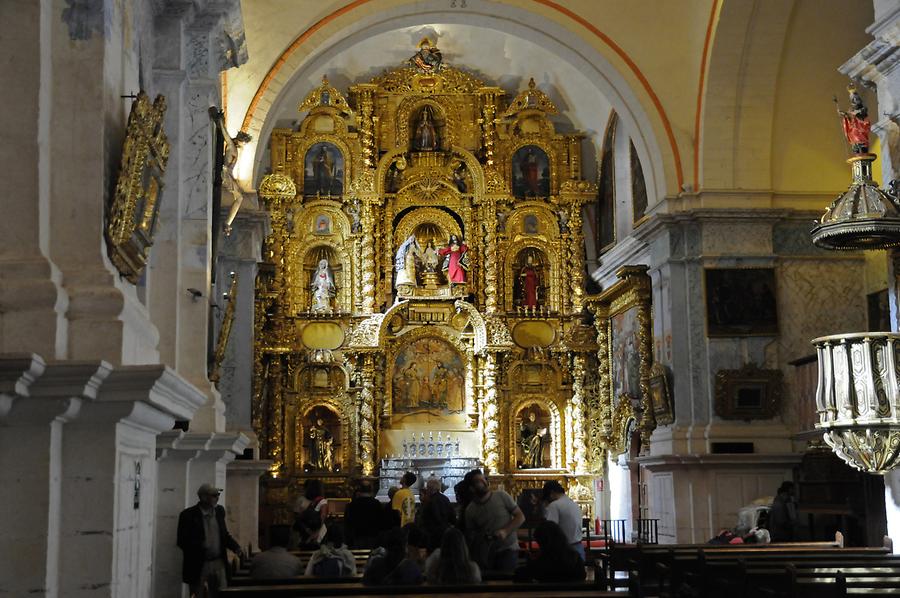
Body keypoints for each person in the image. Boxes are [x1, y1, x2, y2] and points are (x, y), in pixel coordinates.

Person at [176, 483, 244, 597]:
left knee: (221, 592)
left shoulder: (219, 512)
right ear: (203, 497)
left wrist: (236, 547)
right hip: (198, 564)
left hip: (218, 562)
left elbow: (224, 535)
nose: (217, 497)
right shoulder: (188, 515)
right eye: (214, 495)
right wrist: (199, 545)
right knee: (198, 593)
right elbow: (182, 541)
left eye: (217, 495)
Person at [464, 469, 525, 574]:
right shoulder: (470, 510)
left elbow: (520, 517)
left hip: (508, 549)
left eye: (484, 479)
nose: (484, 482)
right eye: (479, 481)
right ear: (472, 488)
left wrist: (505, 531)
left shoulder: (502, 496)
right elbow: (471, 535)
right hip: (487, 554)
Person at [514, 520, 586, 582]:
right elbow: (582, 576)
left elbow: (520, 575)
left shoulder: (542, 563)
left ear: (543, 543)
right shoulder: (575, 559)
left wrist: (530, 562)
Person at [542, 480, 585, 560]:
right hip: (579, 548)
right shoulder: (574, 504)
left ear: (551, 493)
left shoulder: (554, 505)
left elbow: (550, 529)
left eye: (547, 498)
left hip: (564, 552)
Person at [417, 477, 457, 552]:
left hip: (433, 536)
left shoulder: (430, 502)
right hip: (445, 534)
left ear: (430, 489)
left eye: (427, 488)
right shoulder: (445, 499)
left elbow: (426, 520)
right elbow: (452, 516)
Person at [344, 481, 385, 549]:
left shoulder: (351, 505)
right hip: (373, 536)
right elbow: (382, 521)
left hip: (357, 536)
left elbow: (348, 524)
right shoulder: (377, 504)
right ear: (371, 490)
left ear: (359, 490)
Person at [837, 84, 870, 154]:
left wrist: (856, 113)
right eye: (853, 99)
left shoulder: (863, 108)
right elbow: (849, 119)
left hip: (861, 130)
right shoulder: (851, 110)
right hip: (853, 132)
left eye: (856, 99)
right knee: (856, 150)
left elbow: (863, 115)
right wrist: (845, 114)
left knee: (863, 149)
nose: (855, 100)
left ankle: (863, 151)